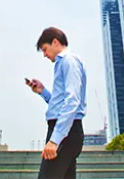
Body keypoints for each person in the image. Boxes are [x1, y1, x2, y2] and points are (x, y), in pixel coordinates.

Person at [26, 27, 87, 179]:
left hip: (66, 131)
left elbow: (72, 100)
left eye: (45, 49)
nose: (45, 55)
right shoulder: (62, 64)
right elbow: (61, 102)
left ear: (55, 42)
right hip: (65, 130)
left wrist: (55, 140)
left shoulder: (69, 61)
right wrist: (43, 92)